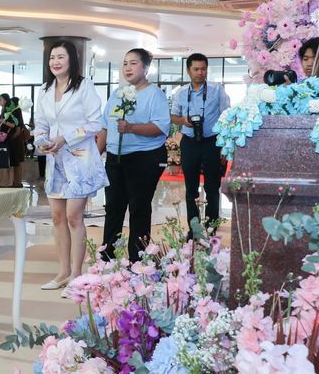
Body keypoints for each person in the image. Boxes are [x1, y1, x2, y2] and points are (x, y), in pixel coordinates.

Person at [33, 41, 107, 290]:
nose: (55, 62)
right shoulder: (45, 89)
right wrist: (42, 141)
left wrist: (65, 138)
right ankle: (63, 272)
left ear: (71, 60)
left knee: (74, 216)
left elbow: (96, 123)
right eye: (52, 57)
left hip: (79, 158)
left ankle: (77, 275)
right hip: (55, 160)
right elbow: (40, 123)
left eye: (60, 57)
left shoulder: (84, 86)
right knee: (57, 217)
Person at [97, 49, 169, 259]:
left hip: (144, 157)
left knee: (138, 208)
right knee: (113, 207)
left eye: (133, 63)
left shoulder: (155, 94)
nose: (127, 68)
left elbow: (160, 127)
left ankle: (138, 259)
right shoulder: (117, 93)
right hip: (115, 157)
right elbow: (105, 127)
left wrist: (131, 128)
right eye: (125, 63)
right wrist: (95, 156)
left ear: (146, 68)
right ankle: (107, 256)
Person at [170, 53, 230, 236]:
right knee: (191, 188)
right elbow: (173, 116)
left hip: (212, 142)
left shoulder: (217, 90)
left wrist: (225, 144)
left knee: (212, 187)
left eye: (203, 69)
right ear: (188, 70)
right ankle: (194, 228)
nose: (200, 73)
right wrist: (184, 121)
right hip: (189, 142)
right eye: (196, 69)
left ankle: (211, 226)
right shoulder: (180, 93)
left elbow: (227, 116)